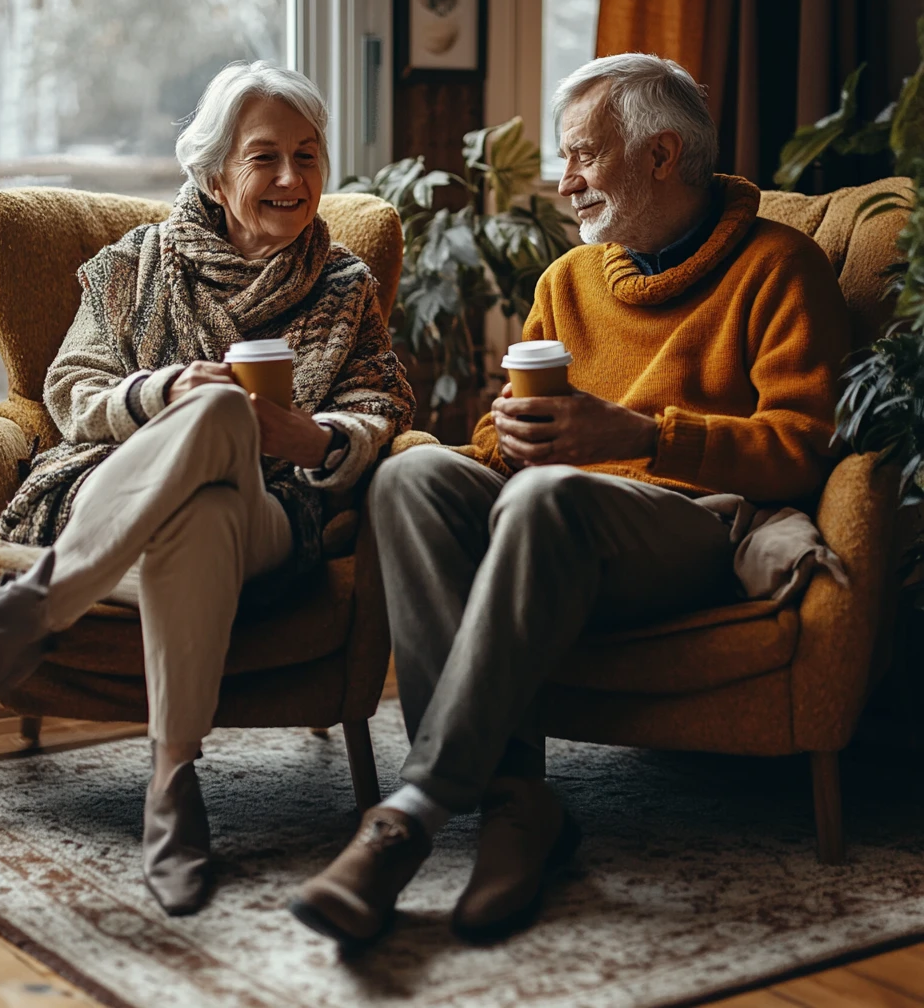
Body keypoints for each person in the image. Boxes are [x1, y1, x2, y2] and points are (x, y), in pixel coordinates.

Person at [289, 53, 851, 946]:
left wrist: (641, 435)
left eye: (585, 155)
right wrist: (500, 440)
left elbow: (807, 445)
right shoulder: (568, 281)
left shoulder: (780, 267)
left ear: (662, 154)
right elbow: (501, 435)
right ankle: (517, 806)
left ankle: (411, 812)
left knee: (544, 500)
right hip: (547, 517)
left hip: (697, 527)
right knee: (412, 473)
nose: (566, 180)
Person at [0, 60, 415, 916]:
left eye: (308, 156)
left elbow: (382, 405)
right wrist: (160, 392)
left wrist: (313, 437)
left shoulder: (345, 285)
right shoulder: (131, 267)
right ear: (214, 172)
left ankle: (31, 607)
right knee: (205, 453)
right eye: (264, 157)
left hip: (278, 516)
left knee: (230, 429)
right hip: (119, 501)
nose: (291, 178)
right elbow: (68, 395)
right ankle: (174, 790)